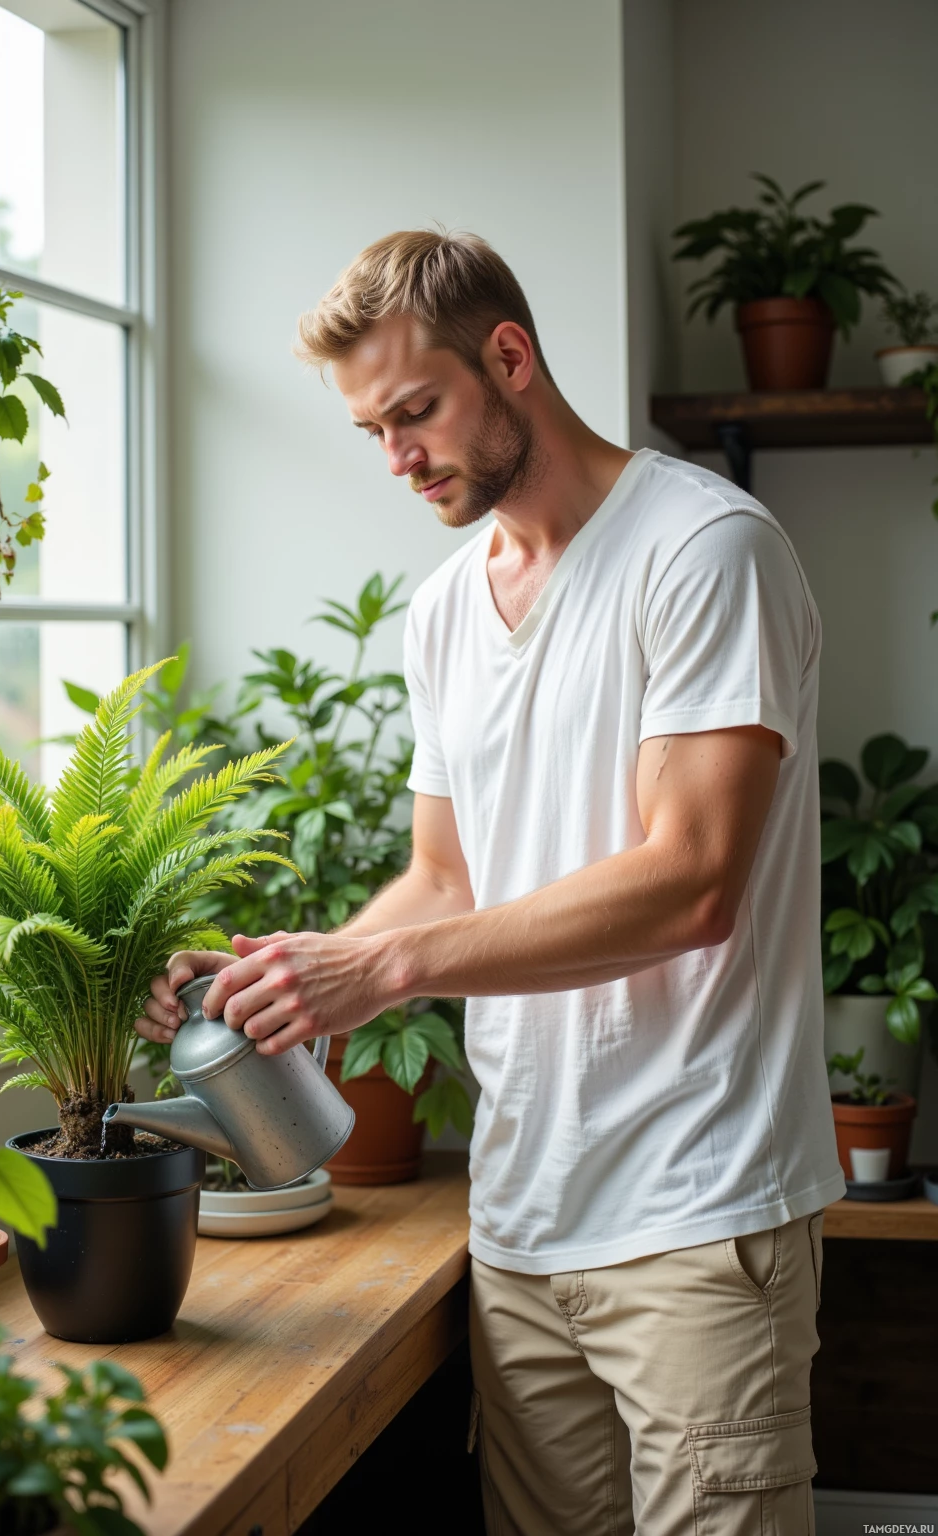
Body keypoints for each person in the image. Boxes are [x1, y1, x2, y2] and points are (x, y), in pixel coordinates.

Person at [134, 230, 845, 1534]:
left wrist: (382, 968)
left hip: (695, 1213)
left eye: (418, 411)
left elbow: (691, 884)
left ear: (509, 359)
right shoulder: (450, 608)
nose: (398, 457)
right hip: (521, 1226)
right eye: (372, 430)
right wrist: (287, 984)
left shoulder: (705, 551)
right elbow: (443, 880)